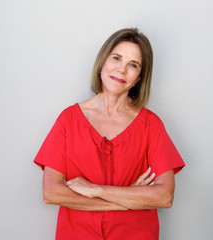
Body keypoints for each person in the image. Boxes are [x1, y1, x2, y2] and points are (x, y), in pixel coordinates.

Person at [34, 28, 185, 240]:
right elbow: (51, 193)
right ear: (103, 62)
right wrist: (128, 199)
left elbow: (164, 196)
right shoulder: (68, 120)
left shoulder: (151, 125)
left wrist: (96, 190)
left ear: (139, 77)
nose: (121, 69)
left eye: (133, 65)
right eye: (116, 58)